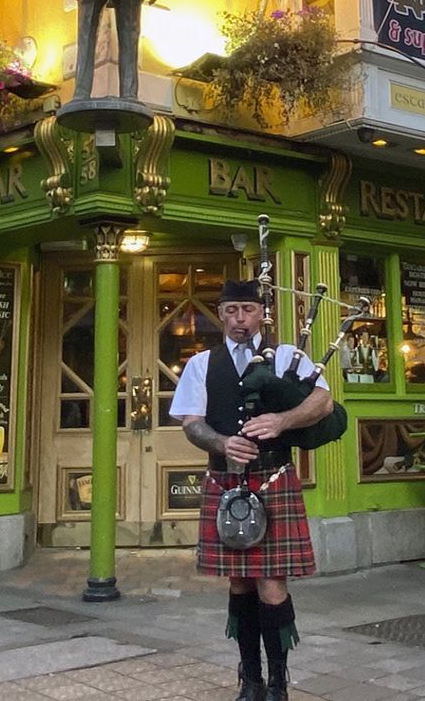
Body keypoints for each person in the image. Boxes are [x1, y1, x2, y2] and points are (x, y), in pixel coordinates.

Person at [169, 279, 333, 701]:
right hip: (224, 480)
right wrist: (221, 443)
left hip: (273, 476)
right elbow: (190, 421)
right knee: (239, 585)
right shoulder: (202, 364)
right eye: (231, 311)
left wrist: (283, 421)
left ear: (262, 312)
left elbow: (323, 403)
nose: (239, 318)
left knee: (271, 585)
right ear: (220, 314)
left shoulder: (285, 357)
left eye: (247, 309)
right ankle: (251, 680)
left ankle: (278, 681)